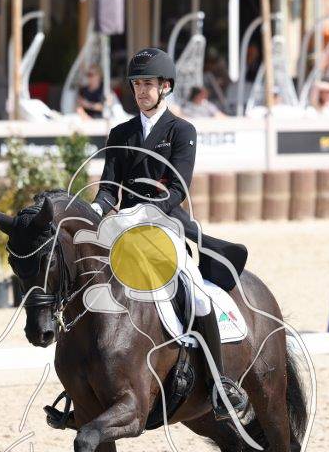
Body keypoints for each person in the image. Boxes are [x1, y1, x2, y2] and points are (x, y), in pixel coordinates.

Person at [94, 47, 251, 422]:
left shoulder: (181, 131)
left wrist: (143, 211)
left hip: (165, 227)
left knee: (197, 295)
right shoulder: (120, 133)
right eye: (136, 84)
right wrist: (96, 211)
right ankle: (81, 386)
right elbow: (107, 190)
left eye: (148, 84)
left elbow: (178, 188)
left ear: (165, 86)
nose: (141, 91)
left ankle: (219, 383)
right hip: (123, 231)